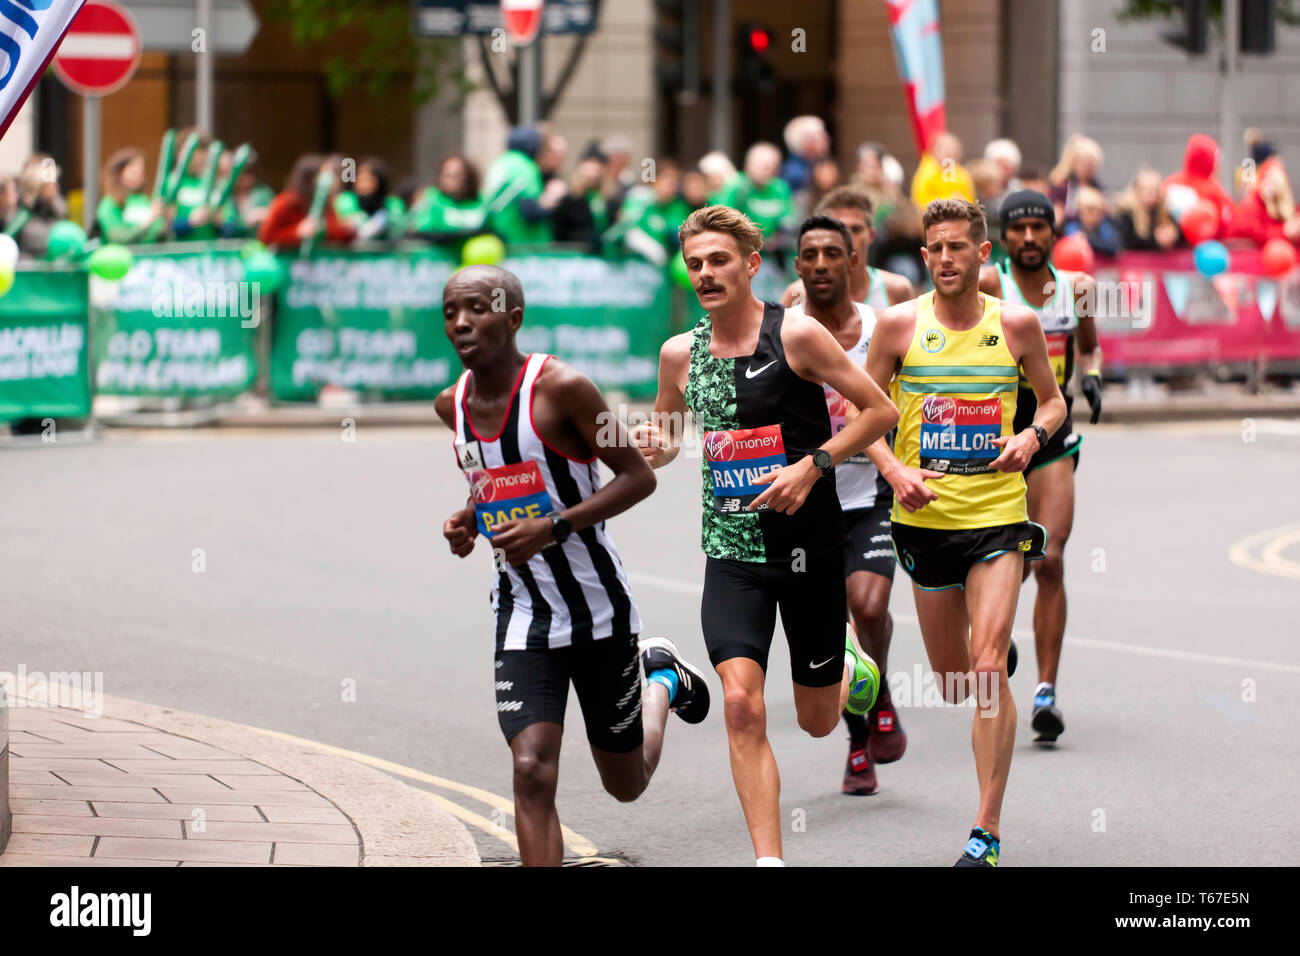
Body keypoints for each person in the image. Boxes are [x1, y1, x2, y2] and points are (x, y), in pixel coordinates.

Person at [633, 205, 898, 865]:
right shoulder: (679, 355)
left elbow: (879, 411)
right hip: (733, 554)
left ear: (752, 265)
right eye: (694, 263)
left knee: (815, 722)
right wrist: (649, 444)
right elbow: (667, 441)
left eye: (718, 260)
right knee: (743, 706)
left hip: (808, 549)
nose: (704, 273)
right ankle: (769, 861)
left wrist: (814, 465)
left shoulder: (798, 336)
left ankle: (849, 669)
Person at [435, 264, 709, 866]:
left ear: (512, 318)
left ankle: (661, 677)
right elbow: (497, 485)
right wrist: (469, 518)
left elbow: (638, 479)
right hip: (522, 615)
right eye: (451, 312)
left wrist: (554, 527)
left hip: (598, 611)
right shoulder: (449, 405)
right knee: (531, 770)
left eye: (476, 309)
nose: (461, 323)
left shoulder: (567, 389)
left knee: (626, 781)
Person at [867, 198, 1066, 866]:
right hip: (924, 520)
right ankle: (989, 649)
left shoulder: (1016, 325)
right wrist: (895, 470)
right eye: (935, 249)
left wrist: (1033, 436)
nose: (947, 259)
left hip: (996, 515)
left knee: (984, 674)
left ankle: (985, 831)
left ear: (985, 255)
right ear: (924, 257)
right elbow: (868, 416)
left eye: (959, 247)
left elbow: (1057, 399)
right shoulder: (897, 328)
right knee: (954, 682)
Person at [783, 214, 905, 796]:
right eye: (812, 255)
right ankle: (861, 738)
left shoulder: (880, 327)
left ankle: (876, 688)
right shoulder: (783, 332)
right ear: (799, 266)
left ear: (854, 262)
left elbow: (892, 406)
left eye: (835, 253)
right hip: (808, 502)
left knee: (869, 603)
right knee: (837, 628)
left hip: (871, 495)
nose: (823, 264)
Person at [978, 190, 1102, 745]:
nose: (1029, 237)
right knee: (1008, 557)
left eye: (1039, 228)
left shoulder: (1076, 288)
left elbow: (1090, 348)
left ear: (1053, 233)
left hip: (1051, 437)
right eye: (1018, 229)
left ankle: (1045, 691)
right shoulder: (989, 285)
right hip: (998, 443)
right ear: (1004, 238)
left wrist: (1092, 377)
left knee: (1048, 556)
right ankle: (999, 632)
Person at [780, 186, 916, 311]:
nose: (848, 238)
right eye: (841, 229)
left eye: (856, 229)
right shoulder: (797, 295)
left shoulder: (896, 290)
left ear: (871, 235)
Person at [710, 142, 798, 259]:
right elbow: (721, 220)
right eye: (763, 166)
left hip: (773, 254)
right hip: (742, 251)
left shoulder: (780, 188)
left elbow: (787, 220)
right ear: (748, 165)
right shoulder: (737, 186)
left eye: (772, 166)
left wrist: (780, 238)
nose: (767, 170)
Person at [482, 127, 562, 246]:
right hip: (521, 242)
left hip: (498, 238)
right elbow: (530, 211)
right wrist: (552, 203)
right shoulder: (526, 167)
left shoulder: (500, 162)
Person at [258, 154, 356, 249]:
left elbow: (338, 235)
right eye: (324, 175)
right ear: (310, 178)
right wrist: (296, 232)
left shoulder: (326, 204)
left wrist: (343, 229)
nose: (330, 180)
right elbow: (266, 237)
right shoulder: (285, 203)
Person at [1163, 134, 1235, 238]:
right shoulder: (1216, 193)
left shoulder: (1170, 183)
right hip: (1206, 247)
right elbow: (1225, 226)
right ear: (1212, 161)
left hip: (1171, 247)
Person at [409, 154, 487, 242]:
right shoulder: (431, 200)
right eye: (446, 175)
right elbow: (417, 229)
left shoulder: (482, 202)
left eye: (456, 175)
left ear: (468, 177)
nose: (448, 180)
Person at [97, 149, 167, 244]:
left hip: (149, 257)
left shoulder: (143, 200)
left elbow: (158, 233)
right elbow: (117, 238)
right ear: (119, 172)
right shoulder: (109, 203)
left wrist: (166, 220)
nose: (139, 174)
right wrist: (148, 222)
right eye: (134, 170)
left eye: (141, 170)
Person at [15, 153, 70, 258]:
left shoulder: (59, 211)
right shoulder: (20, 217)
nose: (56, 187)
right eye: (51, 182)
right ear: (37, 184)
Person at [1114, 166, 1181, 251]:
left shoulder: (1163, 211)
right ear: (1137, 191)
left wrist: (1173, 235)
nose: (1153, 194)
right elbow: (1127, 240)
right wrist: (1155, 240)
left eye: (1156, 190)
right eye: (1148, 190)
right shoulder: (1126, 213)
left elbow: (1180, 232)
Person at [910, 131, 976, 208]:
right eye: (945, 149)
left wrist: (960, 201)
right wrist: (947, 200)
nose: (950, 153)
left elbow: (971, 201)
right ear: (934, 151)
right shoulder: (926, 172)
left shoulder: (962, 174)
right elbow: (919, 201)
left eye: (953, 150)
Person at [1048, 134, 1103, 225]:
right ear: (1073, 163)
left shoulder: (1096, 186)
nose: (1090, 168)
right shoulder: (1061, 185)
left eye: (1092, 164)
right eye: (1086, 164)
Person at [1063, 186, 1121, 257]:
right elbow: (1071, 245)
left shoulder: (1105, 227)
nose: (1094, 215)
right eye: (1090, 211)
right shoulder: (1072, 227)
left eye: (1098, 211)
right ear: (1080, 212)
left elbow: (1114, 246)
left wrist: (1087, 239)